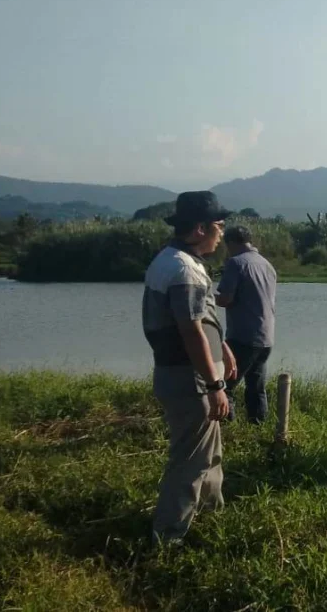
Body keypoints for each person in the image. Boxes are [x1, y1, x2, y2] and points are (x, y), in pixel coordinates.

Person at [141, 190, 237, 544]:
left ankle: (210, 520)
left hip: (184, 374)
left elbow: (201, 320)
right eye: (219, 226)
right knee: (190, 461)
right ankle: (168, 538)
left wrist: (222, 347)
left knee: (209, 454)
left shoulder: (173, 260)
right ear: (200, 228)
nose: (222, 233)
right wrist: (214, 386)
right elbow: (190, 329)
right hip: (190, 379)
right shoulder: (184, 270)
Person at [215, 225, 277, 424]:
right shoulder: (266, 264)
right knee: (256, 388)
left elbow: (225, 299)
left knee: (226, 387)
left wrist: (203, 295)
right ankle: (257, 428)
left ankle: (228, 433)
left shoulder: (235, 263)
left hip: (242, 336)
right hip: (266, 337)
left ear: (231, 243)